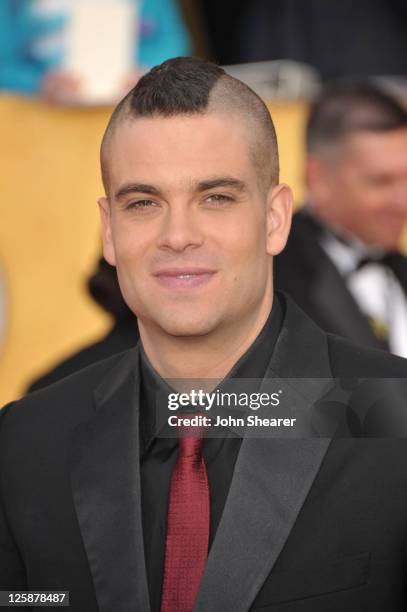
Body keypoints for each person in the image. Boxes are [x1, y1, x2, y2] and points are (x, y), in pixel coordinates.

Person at [1, 57, 407, 612]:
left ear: (275, 219)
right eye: (143, 203)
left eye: (216, 197)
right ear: (109, 232)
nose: (178, 235)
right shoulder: (26, 442)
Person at [275, 80, 407, 357]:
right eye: (381, 182)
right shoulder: (272, 280)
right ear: (317, 178)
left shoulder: (397, 264)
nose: (402, 201)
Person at [0, 0, 191, 101]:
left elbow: (173, 43)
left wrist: (148, 74)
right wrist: (39, 84)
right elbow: (5, 65)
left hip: (133, 111)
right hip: (42, 122)